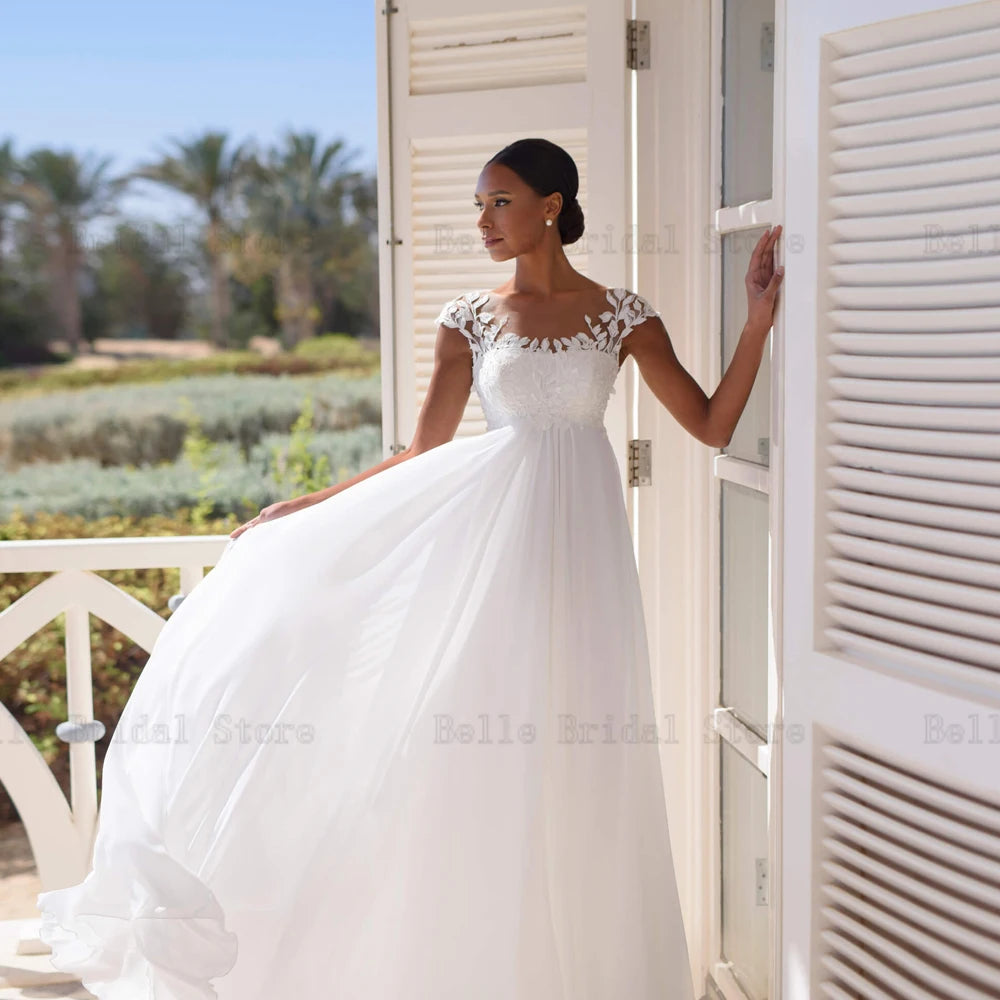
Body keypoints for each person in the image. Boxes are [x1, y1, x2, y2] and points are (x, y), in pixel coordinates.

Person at [36, 137, 782, 999]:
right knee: (484, 754)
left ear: (552, 204)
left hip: (586, 561)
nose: (483, 221)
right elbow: (422, 448)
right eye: (479, 204)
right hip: (491, 562)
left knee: (581, 751)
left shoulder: (623, 316)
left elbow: (714, 426)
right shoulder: (470, 317)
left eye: (500, 201)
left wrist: (757, 321)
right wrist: (305, 509)